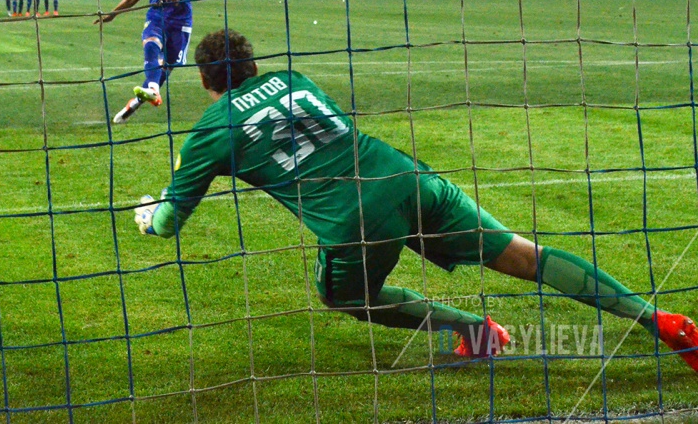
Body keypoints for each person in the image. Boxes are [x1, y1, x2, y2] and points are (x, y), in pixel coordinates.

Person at [133, 29, 698, 367]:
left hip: (354, 221)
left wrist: (148, 216)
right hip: (406, 178)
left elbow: (169, 223)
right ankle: (660, 320)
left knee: (344, 297)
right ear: (254, 65)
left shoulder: (209, 132)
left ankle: (475, 330)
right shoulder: (294, 80)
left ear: (206, 82)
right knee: (526, 256)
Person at [96, 0, 211, 124]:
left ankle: (136, 102)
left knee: (166, 67)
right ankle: (153, 90)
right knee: (150, 44)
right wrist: (113, 14)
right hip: (156, 16)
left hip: (180, 20)